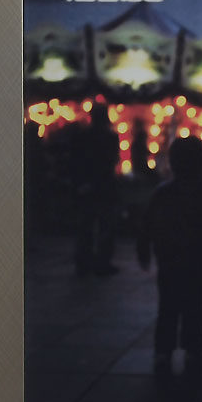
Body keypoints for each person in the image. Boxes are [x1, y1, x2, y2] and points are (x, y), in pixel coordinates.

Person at [137, 136, 202, 379]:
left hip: (168, 261)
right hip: (196, 263)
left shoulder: (162, 193)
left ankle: (162, 353)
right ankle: (193, 351)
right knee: (194, 309)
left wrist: (144, 251)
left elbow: (147, 225)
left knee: (167, 308)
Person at [70, 103, 120, 276]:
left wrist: (80, 183)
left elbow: (76, 160)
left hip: (88, 185)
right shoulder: (110, 137)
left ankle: (84, 262)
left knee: (86, 225)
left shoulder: (82, 137)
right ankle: (102, 262)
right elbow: (113, 160)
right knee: (105, 225)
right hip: (104, 185)